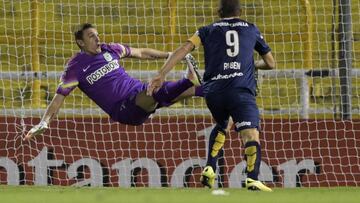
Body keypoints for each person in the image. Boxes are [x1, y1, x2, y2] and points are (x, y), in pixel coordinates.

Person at [147, 0, 275, 191]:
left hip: (214, 93)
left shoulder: (206, 30)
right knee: (251, 134)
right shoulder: (251, 28)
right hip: (240, 91)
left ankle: (210, 166)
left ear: (219, 12)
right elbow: (271, 63)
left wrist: (161, 74)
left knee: (223, 124)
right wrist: (251, 65)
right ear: (240, 11)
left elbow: (183, 49)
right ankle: (252, 178)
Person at [24, 23, 203, 140]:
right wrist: (44, 122)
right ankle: (188, 80)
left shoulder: (110, 49)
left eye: (97, 34)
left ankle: (206, 88)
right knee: (156, 91)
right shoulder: (75, 67)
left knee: (186, 91)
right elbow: (58, 98)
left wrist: (171, 56)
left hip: (139, 91)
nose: (97, 38)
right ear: (81, 42)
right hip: (123, 108)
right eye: (91, 36)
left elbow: (141, 52)